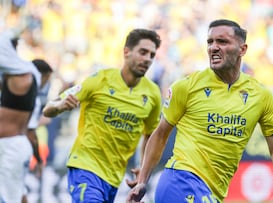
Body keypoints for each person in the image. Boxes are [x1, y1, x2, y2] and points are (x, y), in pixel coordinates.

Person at [127, 19, 273, 203]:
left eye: (222, 42)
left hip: (213, 192)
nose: (213, 47)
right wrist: (142, 181)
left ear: (242, 49)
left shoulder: (261, 96)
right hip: (180, 180)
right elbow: (160, 135)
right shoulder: (187, 87)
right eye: (210, 42)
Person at [42, 28, 162, 203]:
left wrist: (143, 169)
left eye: (152, 55)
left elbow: (151, 135)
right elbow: (48, 108)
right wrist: (60, 106)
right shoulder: (100, 80)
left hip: (114, 177)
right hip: (85, 166)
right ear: (126, 52)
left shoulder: (152, 93)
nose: (147, 59)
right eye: (143, 52)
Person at [0, 30, 41, 202]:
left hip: (11, 147)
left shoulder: (23, 76)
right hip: (11, 147)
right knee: (18, 196)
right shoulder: (20, 73)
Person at [22, 59, 54, 203]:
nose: (45, 84)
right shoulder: (31, 98)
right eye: (46, 79)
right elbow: (30, 132)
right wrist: (39, 160)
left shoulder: (11, 88)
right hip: (14, 150)